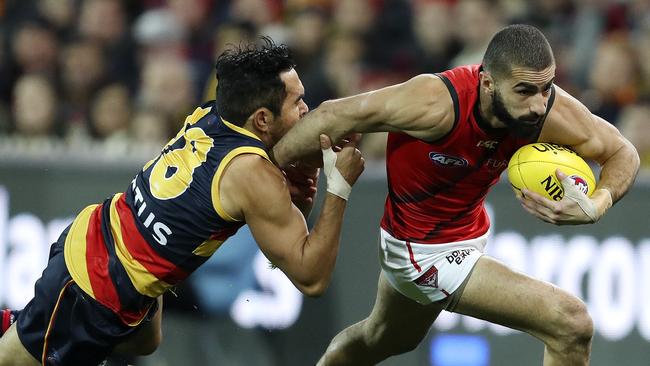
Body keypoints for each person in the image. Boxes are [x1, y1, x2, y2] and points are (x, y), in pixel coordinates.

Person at [271, 24, 640, 365]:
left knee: (381, 340)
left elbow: (623, 152)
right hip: (417, 248)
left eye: (546, 88)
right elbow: (333, 116)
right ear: (487, 83)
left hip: (466, 233)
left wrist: (598, 203)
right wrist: (266, 174)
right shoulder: (434, 103)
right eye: (525, 91)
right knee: (571, 324)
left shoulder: (546, 111)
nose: (539, 105)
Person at [0, 38, 365, 365]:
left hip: (103, 238)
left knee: (147, 341)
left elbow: (277, 241)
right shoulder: (251, 174)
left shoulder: (211, 113)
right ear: (262, 119)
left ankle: (30, 322)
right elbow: (313, 279)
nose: (307, 110)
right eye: (298, 101)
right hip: (96, 285)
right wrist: (340, 187)